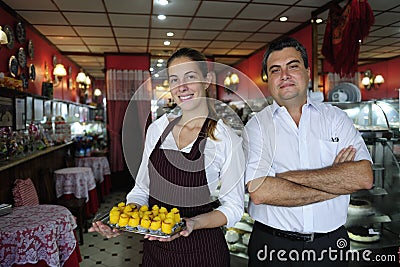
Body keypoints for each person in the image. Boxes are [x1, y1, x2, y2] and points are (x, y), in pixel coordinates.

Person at [90, 48, 245, 266]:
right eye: (174, 79)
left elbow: (234, 207)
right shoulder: (157, 129)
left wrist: (191, 223)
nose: (182, 86)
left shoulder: (225, 137)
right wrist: (123, 219)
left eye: (190, 77)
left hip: (203, 252)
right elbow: (143, 189)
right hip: (157, 250)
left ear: (207, 80)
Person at [242, 37, 373, 267]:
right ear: (268, 80)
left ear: (308, 72)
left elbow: (363, 177)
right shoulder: (257, 126)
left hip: (330, 246)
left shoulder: (335, 118)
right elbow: (261, 192)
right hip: (272, 247)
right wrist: (335, 182)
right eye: (275, 70)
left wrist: (286, 179)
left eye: (292, 66)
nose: (284, 75)